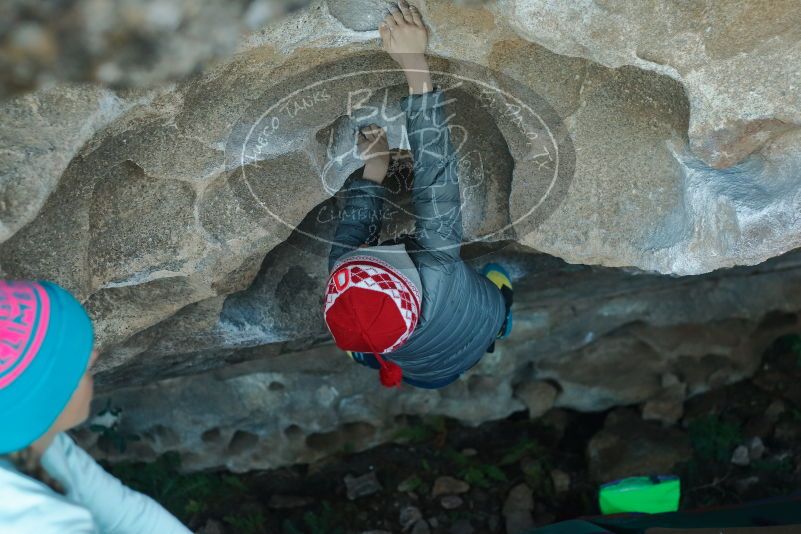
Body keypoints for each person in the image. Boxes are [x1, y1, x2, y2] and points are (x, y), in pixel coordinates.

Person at [323, 0, 514, 390]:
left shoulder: (344, 269)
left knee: (361, 346)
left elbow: (357, 224)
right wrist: (415, 67)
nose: (385, 246)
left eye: (370, 254)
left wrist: (376, 166)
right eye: (392, 259)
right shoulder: (436, 268)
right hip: (481, 318)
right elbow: (435, 173)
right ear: (412, 281)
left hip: (428, 373)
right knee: (499, 278)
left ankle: (376, 348)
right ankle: (501, 321)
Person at [0, 279, 190, 533]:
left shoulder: (39, 440)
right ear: (44, 401)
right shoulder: (36, 523)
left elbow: (127, 516)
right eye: (75, 362)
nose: (94, 354)